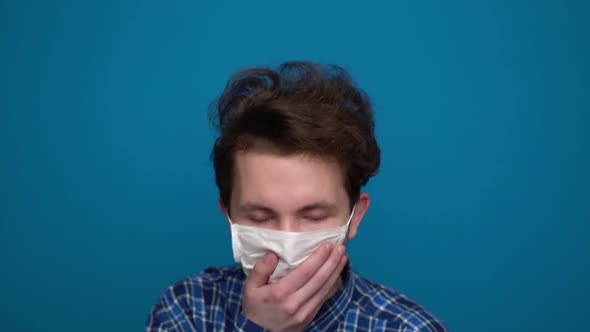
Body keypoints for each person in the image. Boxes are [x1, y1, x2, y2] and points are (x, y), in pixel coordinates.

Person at [146, 61, 447, 331]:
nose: (287, 245)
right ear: (229, 216)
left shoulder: (410, 328)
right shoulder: (186, 309)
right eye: (261, 217)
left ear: (355, 216)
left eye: (314, 216)